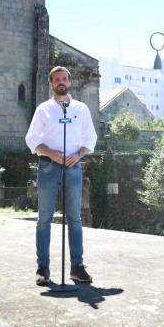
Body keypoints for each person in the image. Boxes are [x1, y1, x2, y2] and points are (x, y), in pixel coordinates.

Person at [25, 66, 97, 285]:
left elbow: (91, 137)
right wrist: (50, 153)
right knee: (44, 218)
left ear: (69, 82)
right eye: (57, 79)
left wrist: (79, 154)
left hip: (73, 166)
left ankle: (77, 266)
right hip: (48, 167)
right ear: (51, 84)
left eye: (64, 79)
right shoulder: (43, 109)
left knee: (74, 217)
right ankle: (42, 268)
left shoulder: (81, 109)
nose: (61, 82)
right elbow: (32, 138)